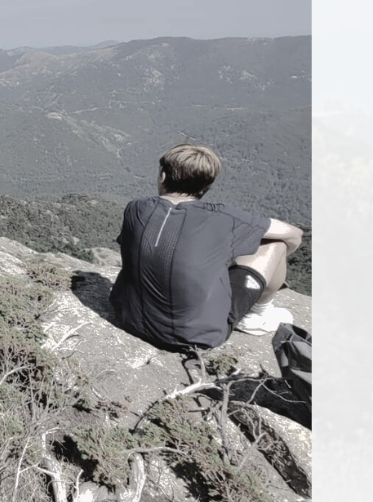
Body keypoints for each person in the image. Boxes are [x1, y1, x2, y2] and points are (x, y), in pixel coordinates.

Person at [109, 144, 304, 350]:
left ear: (163, 176)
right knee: (276, 244)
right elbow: (294, 234)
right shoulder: (223, 218)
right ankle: (258, 314)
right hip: (195, 337)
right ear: (207, 186)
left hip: (128, 317)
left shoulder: (136, 208)